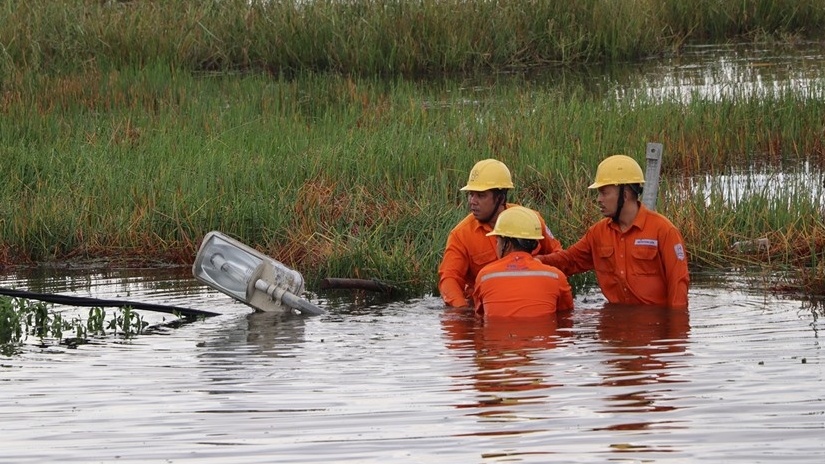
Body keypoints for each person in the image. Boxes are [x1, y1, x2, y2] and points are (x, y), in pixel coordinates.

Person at [538, 154, 689, 309]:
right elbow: (569, 261)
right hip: (614, 325)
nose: (599, 199)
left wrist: (675, 330)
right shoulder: (597, 233)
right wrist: (534, 262)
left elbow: (678, 282)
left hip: (655, 326)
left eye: (604, 193)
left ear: (625, 194)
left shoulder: (664, 230)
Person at [438, 159, 563, 307]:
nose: (472, 201)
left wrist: (537, 263)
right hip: (486, 308)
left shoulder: (532, 220)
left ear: (501, 198)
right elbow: (449, 278)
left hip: (533, 302)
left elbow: (560, 258)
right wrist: (463, 311)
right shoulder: (461, 235)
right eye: (471, 194)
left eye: (481, 195)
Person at [473, 206, 574, 317]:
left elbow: (480, 315)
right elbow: (566, 316)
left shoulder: (484, 276)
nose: (496, 245)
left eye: (497, 241)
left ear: (508, 244)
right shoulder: (556, 277)